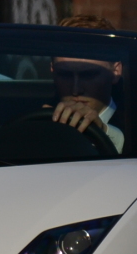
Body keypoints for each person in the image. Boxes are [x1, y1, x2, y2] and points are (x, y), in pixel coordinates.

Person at [48, 14, 125, 153]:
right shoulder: (35, 120)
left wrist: (102, 132)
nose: (76, 90)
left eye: (89, 75)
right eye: (65, 75)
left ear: (115, 70)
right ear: (53, 71)